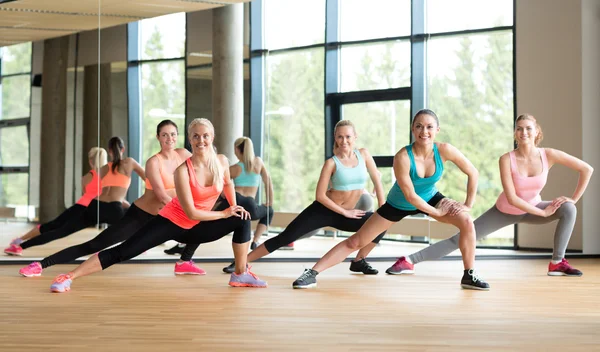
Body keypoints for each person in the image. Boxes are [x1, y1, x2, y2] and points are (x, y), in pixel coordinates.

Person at [48, 118, 267, 293]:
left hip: (200, 227)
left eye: (205, 135)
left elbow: (227, 182)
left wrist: (234, 205)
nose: (201, 140)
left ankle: (240, 273)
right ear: (190, 140)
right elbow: (191, 211)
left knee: (242, 218)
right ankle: (68, 277)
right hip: (174, 223)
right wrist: (224, 213)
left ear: (212, 137)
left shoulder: (221, 160)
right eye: (196, 136)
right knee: (124, 251)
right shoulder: (183, 170)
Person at [292, 109, 489, 290]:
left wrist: (467, 205)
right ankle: (312, 273)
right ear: (413, 129)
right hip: (398, 203)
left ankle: (468, 275)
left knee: (466, 222)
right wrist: (437, 212)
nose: (424, 131)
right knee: (356, 241)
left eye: (429, 127)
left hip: (429, 197)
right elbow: (411, 196)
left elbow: (473, 172)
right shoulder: (402, 157)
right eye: (419, 126)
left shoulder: (444, 149)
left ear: (437, 129)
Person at [390, 113, 593, 277]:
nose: (523, 132)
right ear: (515, 133)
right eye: (519, 128)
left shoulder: (548, 155)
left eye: (528, 128)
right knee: (462, 237)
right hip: (505, 210)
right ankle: (409, 261)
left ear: (536, 131)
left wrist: (572, 199)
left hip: (533, 207)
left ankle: (557, 263)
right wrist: (543, 213)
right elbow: (513, 198)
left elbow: (586, 169)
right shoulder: (506, 159)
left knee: (569, 209)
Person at [18, 120, 190, 277]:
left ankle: (185, 261)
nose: (169, 138)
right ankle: (40, 265)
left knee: (204, 226)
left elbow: (202, 167)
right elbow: (161, 196)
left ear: (178, 136)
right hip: (140, 217)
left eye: (173, 134)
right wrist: (190, 209)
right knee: (94, 245)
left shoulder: (183, 154)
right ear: (158, 137)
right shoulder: (153, 162)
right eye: (165, 135)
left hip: (164, 217)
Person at [223, 119, 387, 275]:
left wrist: (382, 207)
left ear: (355, 137)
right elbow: (320, 196)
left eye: (348, 136)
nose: (344, 141)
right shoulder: (331, 163)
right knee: (285, 237)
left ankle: (359, 261)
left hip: (348, 213)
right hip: (324, 210)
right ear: (335, 138)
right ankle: (240, 262)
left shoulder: (364, 154)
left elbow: (376, 179)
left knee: (381, 223)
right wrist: (344, 212)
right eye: (340, 137)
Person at [6, 137, 144, 254]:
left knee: (61, 231)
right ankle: (141, 245)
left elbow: (97, 192)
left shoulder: (103, 169)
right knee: (135, 224)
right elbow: (148, 178)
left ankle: (20, 246)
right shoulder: (129, 162)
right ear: (123, 149)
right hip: (114, 208)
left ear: (109, 151)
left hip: (94, 206)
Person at [164, 136, 274, 264]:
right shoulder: (258, 163)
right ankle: (254, 242)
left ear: (237, 150)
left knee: (205, 223)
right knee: (269, 211)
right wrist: (269, 201)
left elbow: (220, 186)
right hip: (250, 203)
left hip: (235, 200)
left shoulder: (233, 168)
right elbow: (268, 182)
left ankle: (185, 257)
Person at [4, 147, 108, 256]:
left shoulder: (86, 177)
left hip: (80, 206)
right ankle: (20, 243)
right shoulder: (107, 177)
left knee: (53, 227)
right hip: (94, 208)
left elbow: (86, 191)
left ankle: (20, 241)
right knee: (57, 230)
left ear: (90, 160)